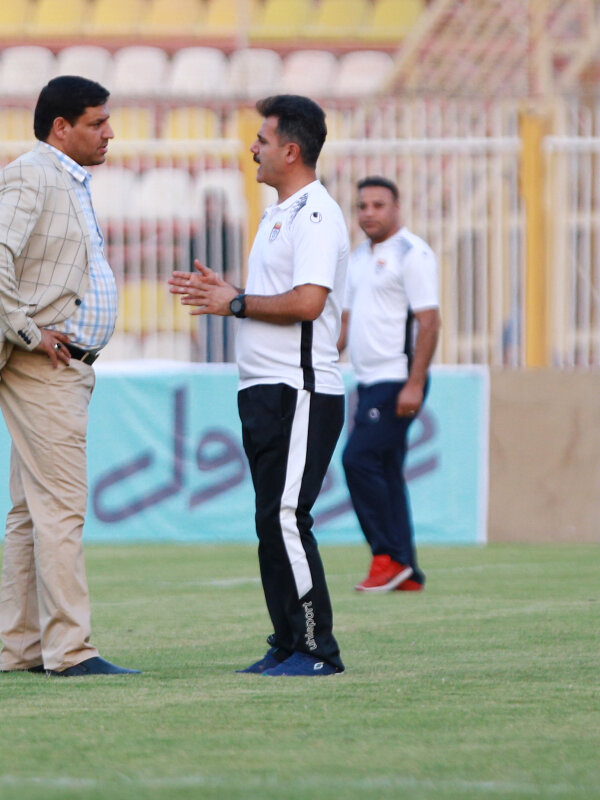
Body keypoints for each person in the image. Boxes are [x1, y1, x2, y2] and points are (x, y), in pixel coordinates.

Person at [168, 94, 348, 677]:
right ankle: (288, 642)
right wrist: (230, 295)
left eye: (262, 140)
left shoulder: (315, 214)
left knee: (287, 517)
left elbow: (308, 303)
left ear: (290, 151)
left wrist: (237, 302)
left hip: (300, 389)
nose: (253, 148)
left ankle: (316, 649)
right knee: (271, 519)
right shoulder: (278, 214)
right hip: (267, 389)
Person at [0, 75, 139, 678]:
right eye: (97, 122)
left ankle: (24, 648)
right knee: (62, 506)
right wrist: (27, 330)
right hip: (45, 365)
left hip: (58, 366)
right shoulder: (32, 174)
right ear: (61, 127)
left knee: (31, 510)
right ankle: (70, 650)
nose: (109, 132)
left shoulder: (63, 179)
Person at [338, 176, 441, 593]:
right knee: (387, 470)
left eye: (378, 205)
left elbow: (429, 322)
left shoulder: (411, 253)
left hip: (396, 378)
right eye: (362, 206)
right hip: (368, 380)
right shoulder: (358, 257)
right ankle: (407, 569)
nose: (369, 213)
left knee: (357, 459)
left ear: (396, 208)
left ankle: (387, 556)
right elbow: (345, 324)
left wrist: (414, 383)